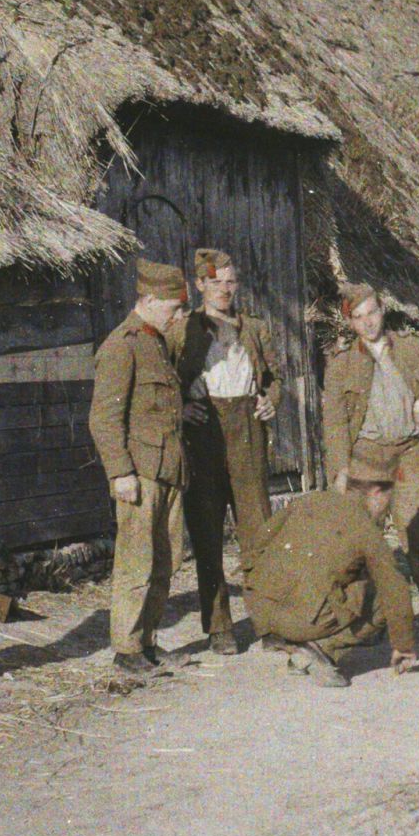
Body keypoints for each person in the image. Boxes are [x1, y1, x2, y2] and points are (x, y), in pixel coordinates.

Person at [322, 283, 419, 651]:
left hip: (411, 455)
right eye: (358, 317)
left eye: (372, 312)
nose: (367, 322)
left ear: (383, 310)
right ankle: (364, 625)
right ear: (349, 322)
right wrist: (339, 470)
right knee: (359, 546)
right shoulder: (341, 366)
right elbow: (334, 422)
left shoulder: (414, 349)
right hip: (365, 460)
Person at [170, 247, 282, 655]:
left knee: (259, 532)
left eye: (230, 281)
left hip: (248, 433)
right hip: (204, 434)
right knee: (207, 532)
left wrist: (272, 399)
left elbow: (273, 378)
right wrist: (182, 406)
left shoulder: (253, 328)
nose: (224, 289)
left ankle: (269, 621)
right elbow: (165, 380)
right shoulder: (182, 329)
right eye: (215, 282)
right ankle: (218, 626)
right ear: (199, 285)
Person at [89, 260, 195, 678]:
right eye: (173, 306)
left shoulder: (156, 341)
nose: (178, 315)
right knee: (137, 561)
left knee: (164, 562)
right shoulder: (123, 345)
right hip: (140, 473)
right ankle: (127, 650)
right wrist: (120, 473)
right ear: (148, 300)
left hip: (167, 469)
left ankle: (148, 642)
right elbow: (103, 418)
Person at [241, 463, 419, 688]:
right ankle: (322, 646)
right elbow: (396, 591)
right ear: (375, 493)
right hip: (299, 621)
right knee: (384, 594)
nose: (387, 507)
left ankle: (289, 644)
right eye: (388, 498)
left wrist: (255, 588)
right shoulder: (366, 530)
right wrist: (403, 646)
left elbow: (257, 544)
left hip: (259, 611)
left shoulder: (310, 500)